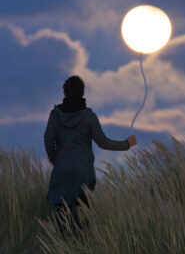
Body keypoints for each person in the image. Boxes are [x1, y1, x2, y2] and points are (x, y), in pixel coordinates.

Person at [44, 75, 137, 235]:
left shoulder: (55, 115)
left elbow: (48, 139)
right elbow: (103, 142)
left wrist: (56, 160)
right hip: (84, 174)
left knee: (62, 219)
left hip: (62, 171)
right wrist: (127, 144)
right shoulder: (89, 117)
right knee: (82, 219)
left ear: (65, 93)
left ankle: (64, 247)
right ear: (82, 93)